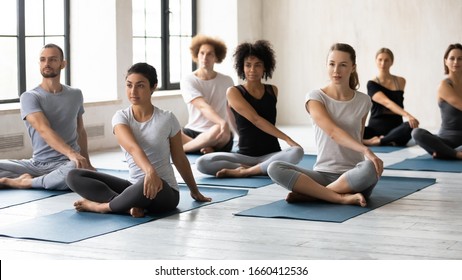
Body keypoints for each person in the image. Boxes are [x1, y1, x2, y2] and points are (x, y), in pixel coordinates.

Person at [66, 63, 211, 217]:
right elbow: (133, 148)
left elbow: (179, 158)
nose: (133, 91)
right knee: (74, 175)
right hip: (135, 187)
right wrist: (149, 172)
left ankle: (102, 207)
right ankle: (128, 206)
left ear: (153, 87)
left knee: (144, 183)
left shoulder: (167, 118)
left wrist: (195, 191)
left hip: (164, 191)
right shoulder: (121, 117)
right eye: (129, 85)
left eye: (140, 86)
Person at [268, 43, 383, 207]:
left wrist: (366, 150)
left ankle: (314, 195)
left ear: (353, 67)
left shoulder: (364, 101)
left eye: (343, 65)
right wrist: (366, 149)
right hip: (322, 175)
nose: (336, 70)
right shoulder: (315, 97)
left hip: (354, 176)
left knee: (370, 168)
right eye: (332, 64)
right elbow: (333, 132)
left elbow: (358, 136)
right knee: (274, 167)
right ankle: (339, 197)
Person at [195, 40, 304, 178]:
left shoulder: (272, 90)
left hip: (272, 154)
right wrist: (287, 139)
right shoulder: (234, 92)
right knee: (202, 162)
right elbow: (256, 119)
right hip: (244, 156)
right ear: (242, 67)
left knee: (297, 152)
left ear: (265, 67)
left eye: (258, 65)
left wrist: (290, 145)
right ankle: (257, 169)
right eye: (248, 65)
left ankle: (247, 171)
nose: (252, 70)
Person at [0, 43, 94, 190]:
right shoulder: (30, 97)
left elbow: (80, 130)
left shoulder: (75, 94)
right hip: (37, 164)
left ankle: (24, 182)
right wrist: (72, 153)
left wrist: (86, 162)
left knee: (73, 172)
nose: (47, 64)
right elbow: (44, 129)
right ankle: (41, 179)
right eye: (43, 59)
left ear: (63, 64)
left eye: (52, 59)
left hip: (67, 163)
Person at [181, 34, 235, 154]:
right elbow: (202, 106)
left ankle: (184, 149)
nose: (205, 57)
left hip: (218, 132)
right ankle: (205, 147)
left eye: (210, 54)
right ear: (196, 55)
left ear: (216, 57)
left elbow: (231, 109)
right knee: (169, 130)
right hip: (192, 132)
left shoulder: (227, 81)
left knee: (218, 130)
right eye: (202, 53)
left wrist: (227, 127)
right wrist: (222, 122)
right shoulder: (188, 80)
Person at [412, 43, 462, 159]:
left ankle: (443, 153)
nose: (456, 62)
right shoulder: (444, 85)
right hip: (446, 139)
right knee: (417, 133)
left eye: (460, 59)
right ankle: (456, 154)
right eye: (452, 58)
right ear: (446, 61)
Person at [363, 48, 419, 146]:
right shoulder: (371, 84)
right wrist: (408, 115)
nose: (383, 63)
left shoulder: (401, 81)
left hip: (396, 128)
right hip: (375, 129)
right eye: (380, 60)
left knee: (410, 126)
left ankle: (381, 141)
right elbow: (387, 102)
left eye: (386, 60)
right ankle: (382, 140)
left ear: (392, 62)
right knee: (352, 130)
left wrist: (410, 119)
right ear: (376, 61)